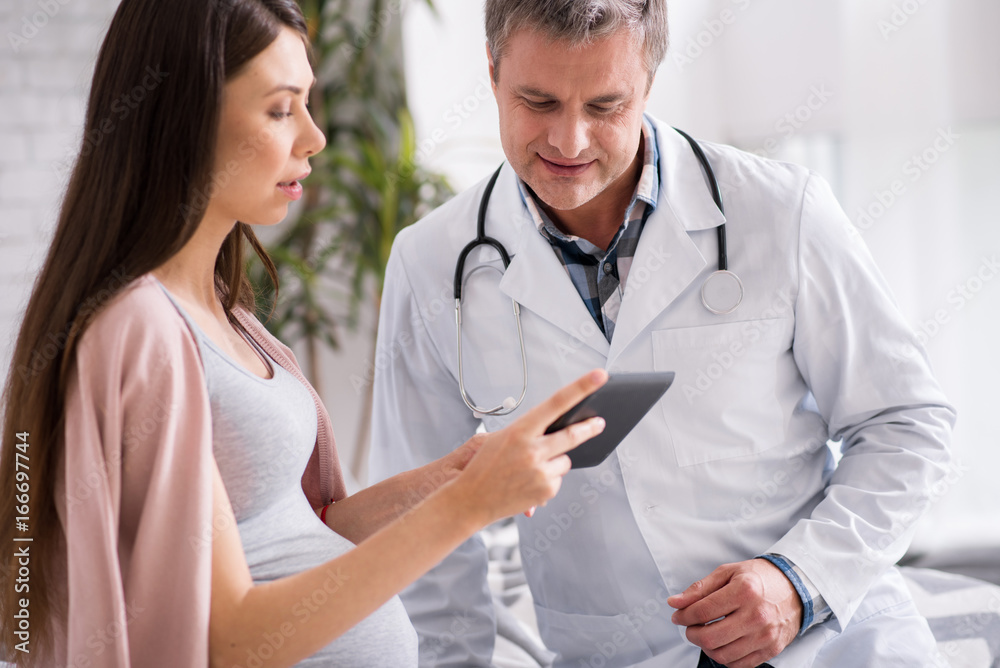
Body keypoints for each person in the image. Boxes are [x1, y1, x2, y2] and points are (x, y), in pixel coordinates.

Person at [0, 1, 610, 666]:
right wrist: (466, 505)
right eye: (280, 108)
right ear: (183, 116)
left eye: (308, 103)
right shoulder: (142, 329)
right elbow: (230, 639)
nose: (315, 137)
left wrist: (454, 476)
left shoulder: (230, 318)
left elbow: (296, 534)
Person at [368, 1, 957, 666]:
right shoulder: (432, 263)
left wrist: (800, 580)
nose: (569, 141)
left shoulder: (780, 211)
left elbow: (907, 424)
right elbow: (418, 524)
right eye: (537, 101)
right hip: (615, 650)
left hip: (828, 640)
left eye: (605, 106)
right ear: (493, 69)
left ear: (648, 80)